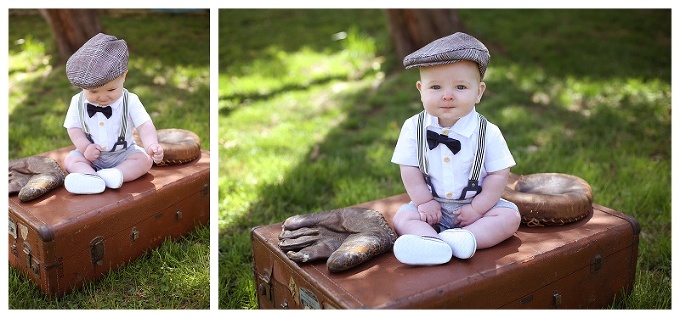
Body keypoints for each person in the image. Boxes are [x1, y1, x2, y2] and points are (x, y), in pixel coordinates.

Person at [391, 32, 521, 265]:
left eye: (460, 87)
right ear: (421, 90)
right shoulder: (413, 127)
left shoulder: (488, 132)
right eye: (436, 87)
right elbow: (409, 168)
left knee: (509, 217)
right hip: (432, 205)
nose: (448, 96)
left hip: (476, 207)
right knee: (403, 217)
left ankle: (467, 238)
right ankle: (431, 242)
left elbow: (499, 174)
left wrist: (477, 208)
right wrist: (423, 202)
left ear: (479, 92)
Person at [62, 33, 164, 194]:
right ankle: (91, 178)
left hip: (123, 154)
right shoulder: (77, 101)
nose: (102, 97)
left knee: (144, 160)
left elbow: (144, 125)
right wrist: (85, 147)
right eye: (93, 91)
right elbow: (73, 128)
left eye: (111, 89)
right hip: (90, 155)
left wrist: (151, 144)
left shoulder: (130, 100)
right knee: (71, 160)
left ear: (124, 76)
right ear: (81, 87)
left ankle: (116, 174)